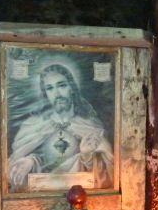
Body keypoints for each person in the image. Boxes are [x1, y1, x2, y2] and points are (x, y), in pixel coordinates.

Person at [8, 64, 114, 192]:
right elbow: (12, 168)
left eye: (62, 85)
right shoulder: (32, 126)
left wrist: (87, 157)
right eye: (50, 88)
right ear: (45, 94)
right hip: (41, 198)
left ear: (72, 88)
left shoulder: (89, 125)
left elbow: (108, 173)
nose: (57, 94)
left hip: (82, 195)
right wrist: (30, 161)